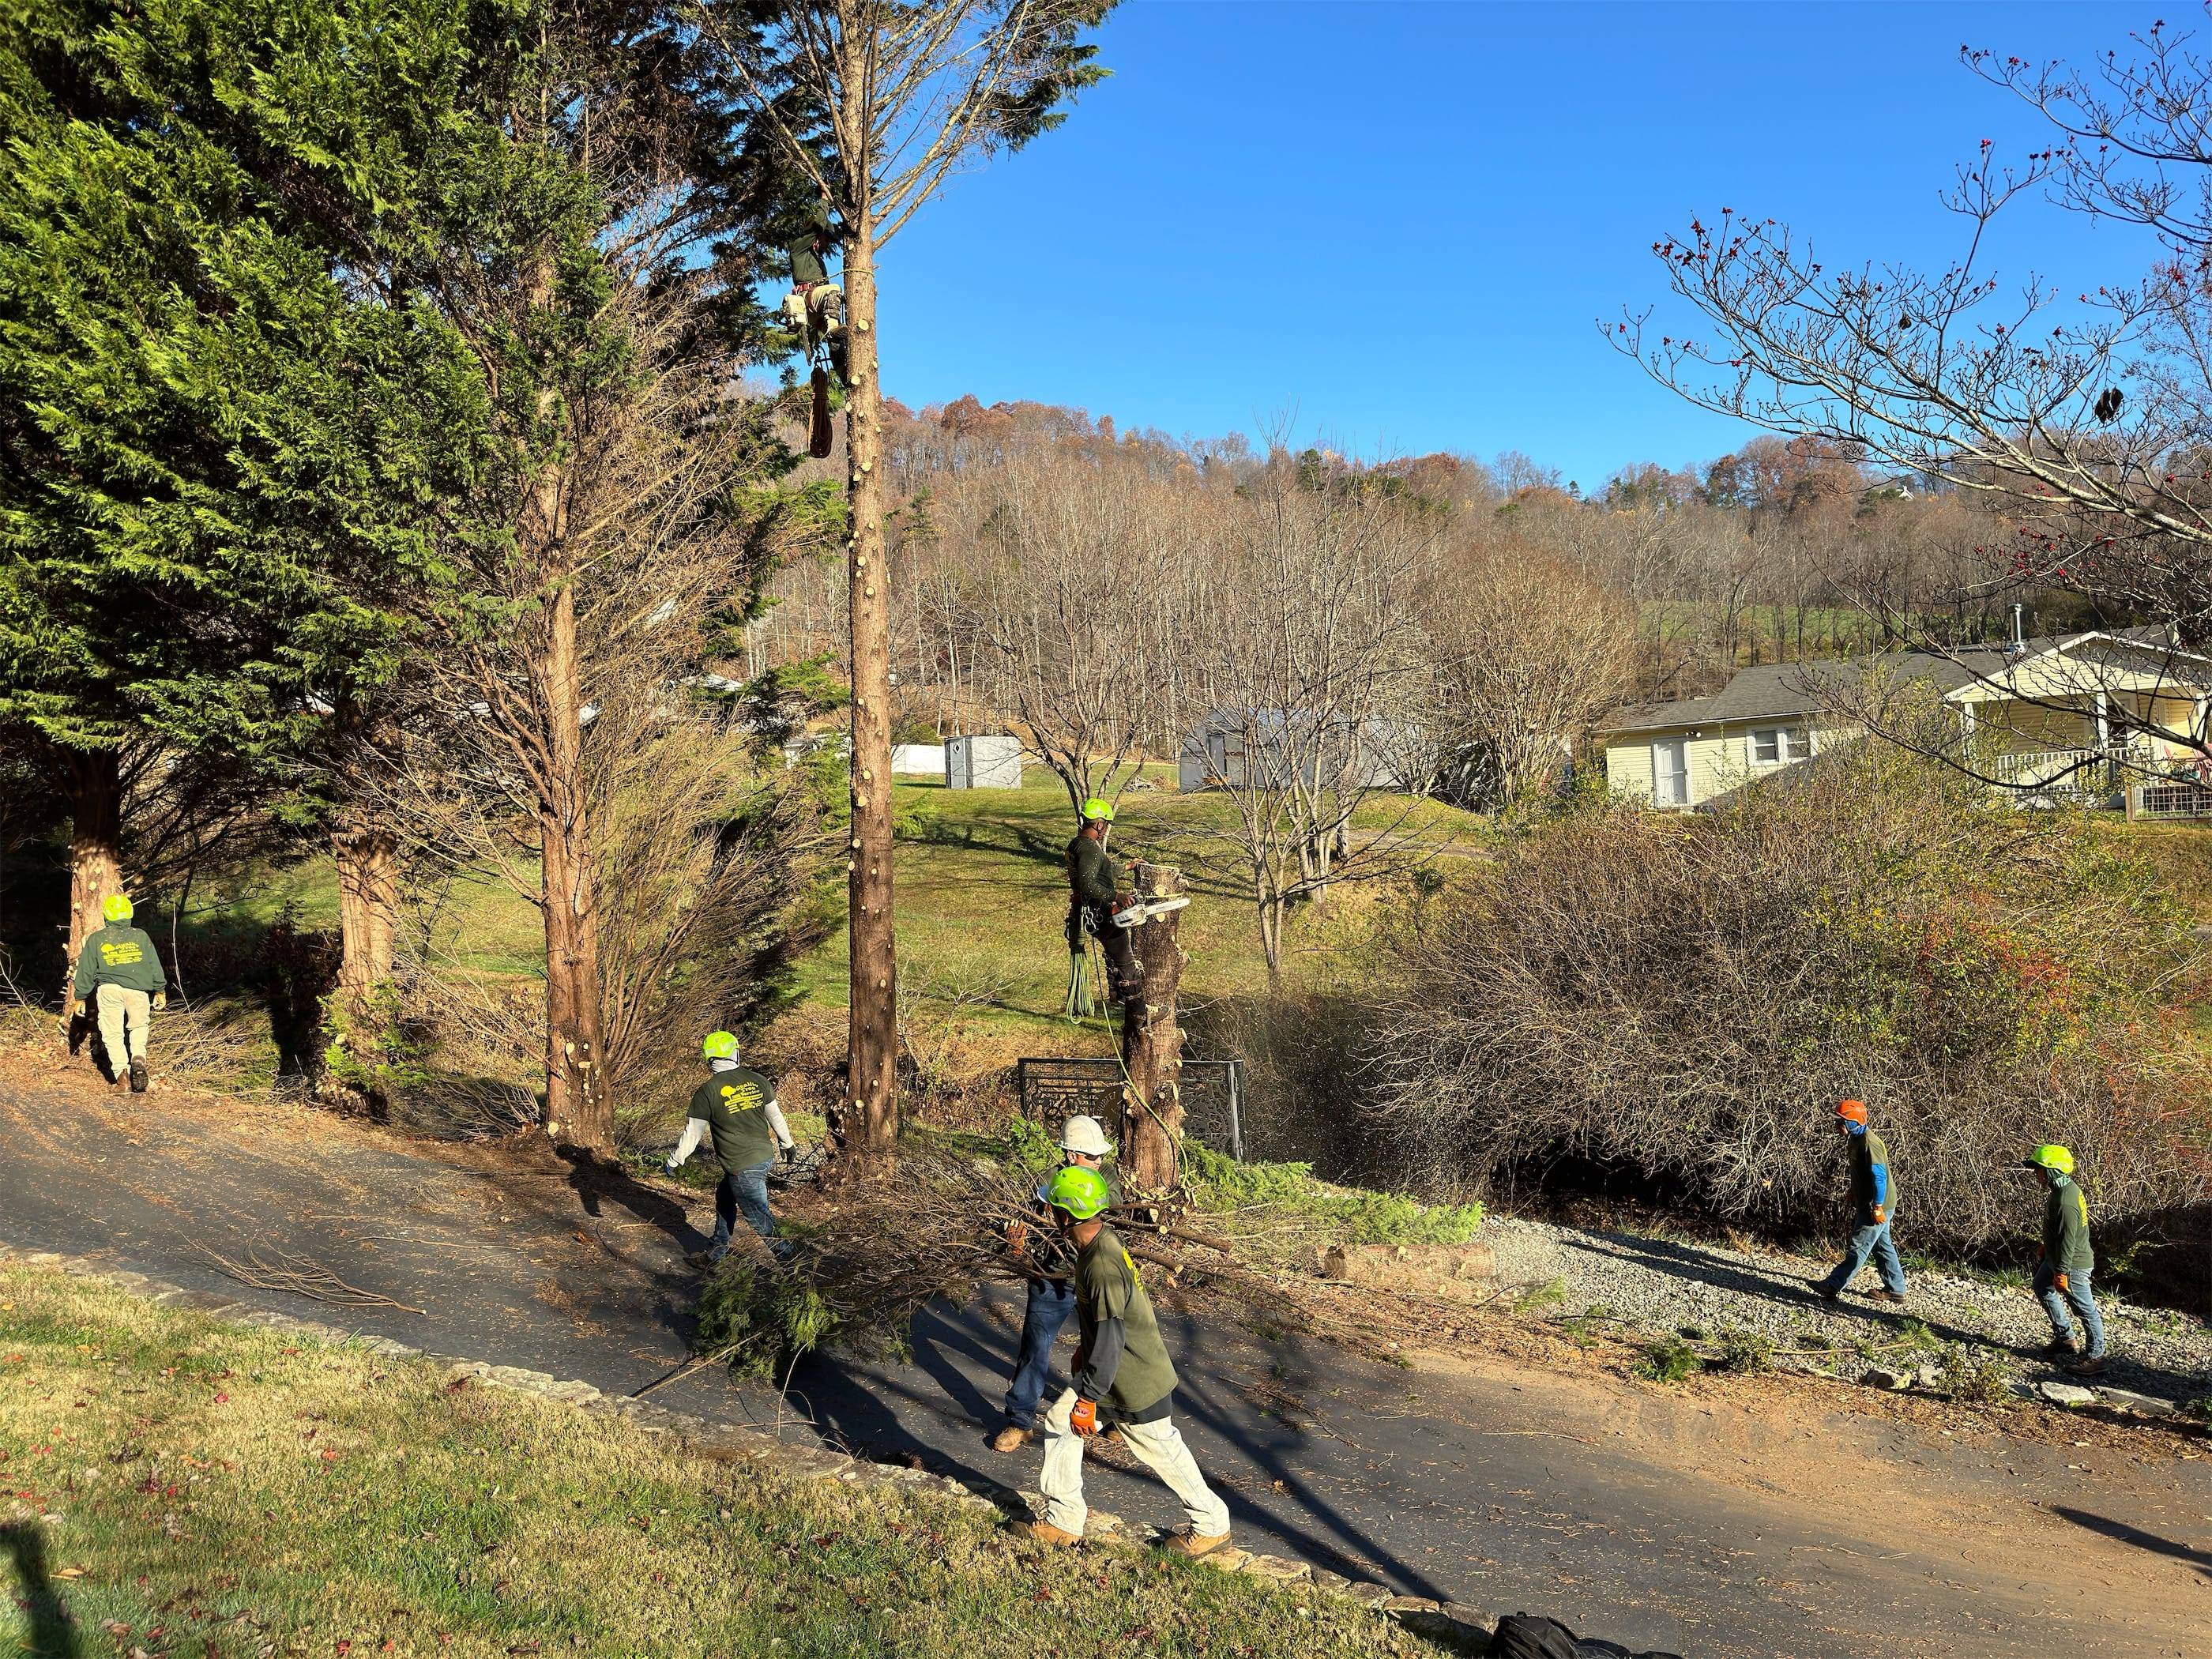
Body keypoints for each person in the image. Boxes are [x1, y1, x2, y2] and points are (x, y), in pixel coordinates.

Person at [1019, 1164, 1233, 1557]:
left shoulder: (1100, 1264)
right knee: (1059, 1423)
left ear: (1066, 1215)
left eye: (1054, 1208)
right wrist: (1086, 1351)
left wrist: (1087, 1398)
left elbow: (1114, 1334)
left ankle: (1212, 1525)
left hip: (1132, 1379)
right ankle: (1063, 1519)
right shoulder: (1099, 1244)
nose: (1049, 1213)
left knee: (1161, 1450)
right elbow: (1107, 1323)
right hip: (1110, 1372)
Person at [991, 1115, 1121, 1454]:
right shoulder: (1049, 1179)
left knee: (1106, 1343)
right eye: (1091, 1156)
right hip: (1052, 1276)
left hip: (1093, 1272)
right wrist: (1017, 1235)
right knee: (1035, 1347)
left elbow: (1113, 1207)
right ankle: (1020, 1421)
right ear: (1071, 1155)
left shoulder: (1106, 1176)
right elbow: (1029, 1216)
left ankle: (1115, 1415)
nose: (1099, 1161)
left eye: (1099, 1155)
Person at [664, 1031, 796, 1264]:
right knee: (725, 1197)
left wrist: (675, 1160)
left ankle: (796, 1266)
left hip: (740, 1165)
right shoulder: (757, 1079)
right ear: (735, 1053)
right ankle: (714, 1255)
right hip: (763, 1156)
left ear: (709, 1058)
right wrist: (787, 1143)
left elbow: (693, 1133)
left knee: (760, 1219)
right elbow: (775, 1115)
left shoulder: (708, 1090)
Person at [2023, 1143, 2107, 1376]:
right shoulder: (2061, 1190)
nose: (2037, 1174)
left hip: (2072, 1265)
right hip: (2057, 1257)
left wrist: (2061, 1272)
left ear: (2053, 1170)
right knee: (2041, 1286)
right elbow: (2059, 1231)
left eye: (2040, 1169)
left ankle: (2097, 1356)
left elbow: (2069, 1239)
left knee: (2084, 1309)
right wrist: (2046, 1246)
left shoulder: (2066, 1200)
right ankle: (2066, 1339)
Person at [1814, 1098, 1906, 1305]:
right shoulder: (1855, 1139)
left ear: (1855, 1121)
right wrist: (1853, 1190)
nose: (1838, 1125)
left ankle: (1833, 1285)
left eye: (1842, 1121)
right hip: (1870, 1201)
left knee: (1859, 1246)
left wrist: (1878, 1206)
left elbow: (1879, 1177)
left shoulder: (1870, 1143)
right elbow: (1862, 1173)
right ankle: (1897, 1289)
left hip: (1876, 1204)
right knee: (1882, 1246)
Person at [71, 893, 167, 1093]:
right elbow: (154, 965)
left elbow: (86, 970)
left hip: (109, 990)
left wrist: (80, 996)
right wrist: (160, 990)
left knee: (113, 1032)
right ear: (130, 913)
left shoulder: (97, 939)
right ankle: (138, 1058)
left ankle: (122, 1077)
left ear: (106, 916)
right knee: (139, 1026)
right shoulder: (141, 936)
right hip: (138, 990)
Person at [1065, 798, 1138, 1014]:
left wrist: (1127, 866)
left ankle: (1118, 996)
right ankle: (1140, 1013)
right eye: (1105, 825)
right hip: (1100, 914)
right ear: (1099, 824)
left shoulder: (1077, 844)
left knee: (1116, 957)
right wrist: (1116, 895)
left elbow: (1101, 870)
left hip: (1091, 913)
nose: (1105, 830)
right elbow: (1087, 883)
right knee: (1126, 962)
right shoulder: (1089, 849)